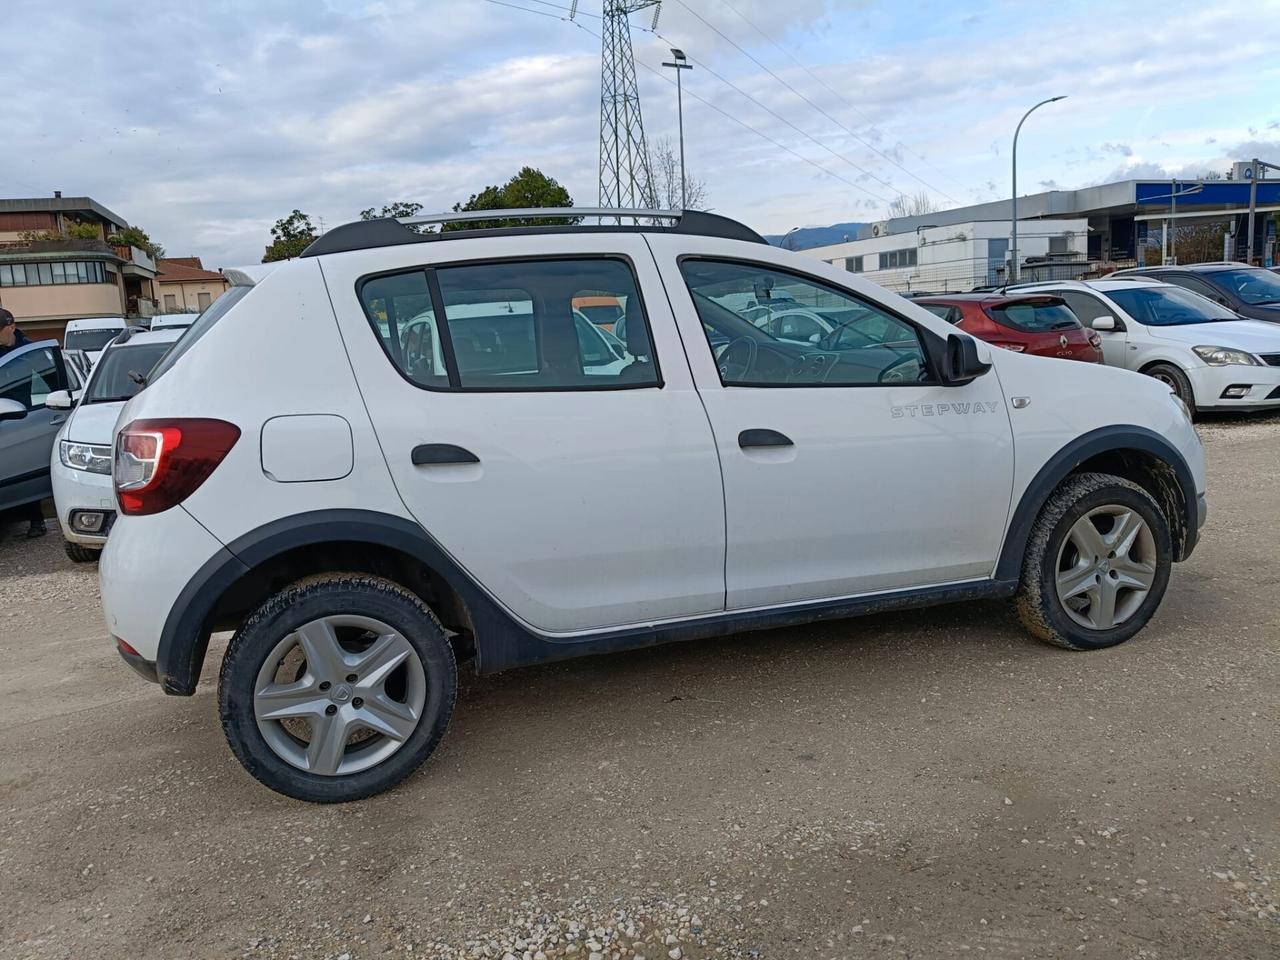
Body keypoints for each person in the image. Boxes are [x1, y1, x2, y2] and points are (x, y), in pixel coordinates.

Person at [0, 309, 45, 537]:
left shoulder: (27, 350)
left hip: (24, 414)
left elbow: (48, 376)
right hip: (1, 413)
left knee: (25, 464)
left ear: (11, 327)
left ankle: (37, 521)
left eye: (0, 331)